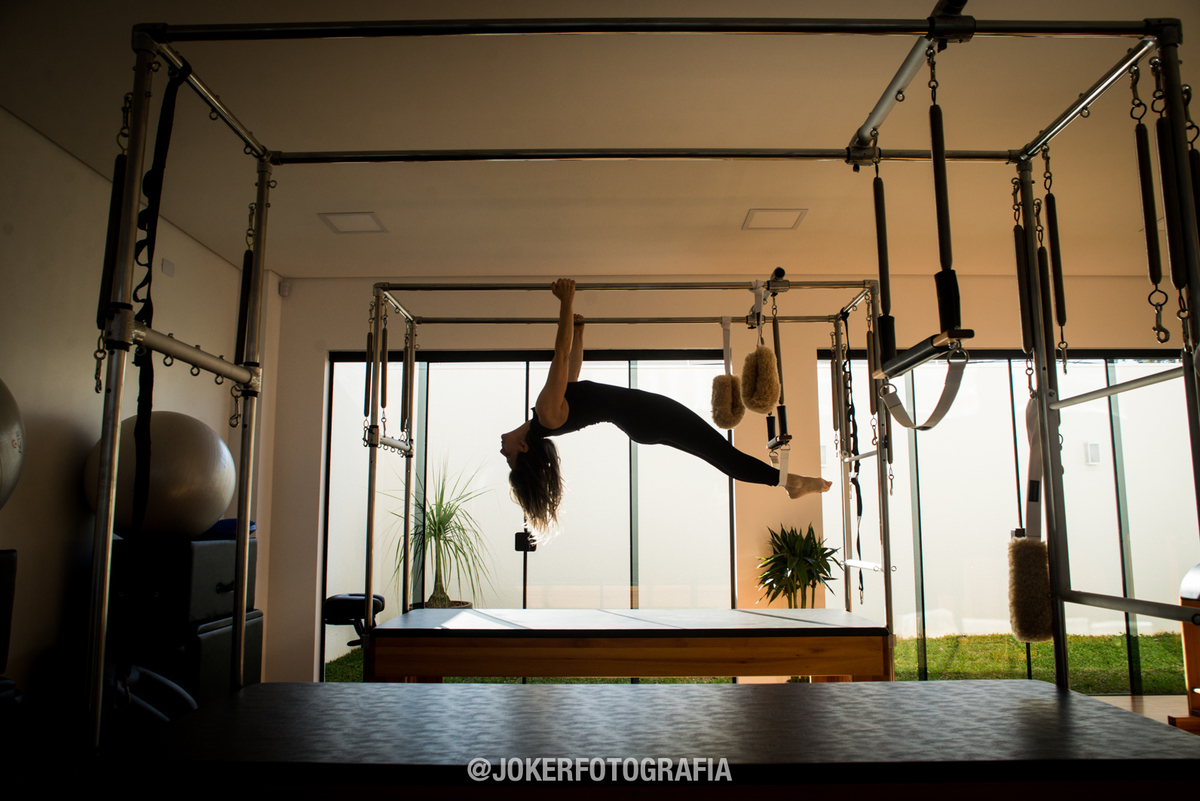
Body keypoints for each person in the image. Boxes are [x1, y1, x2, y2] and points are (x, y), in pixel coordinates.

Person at [501, 279, 831, 530]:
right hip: (646, 416)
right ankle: (791, 482)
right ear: (524, 448)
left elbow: (571, 375)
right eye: (509, 457)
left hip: (643, 420)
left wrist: (579, 332)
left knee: (721, 456)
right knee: (721, 454)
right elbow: (559, 356)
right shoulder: (546, 414)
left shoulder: (545, 416)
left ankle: (790, 482)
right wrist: (566, 301)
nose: (503, 451)